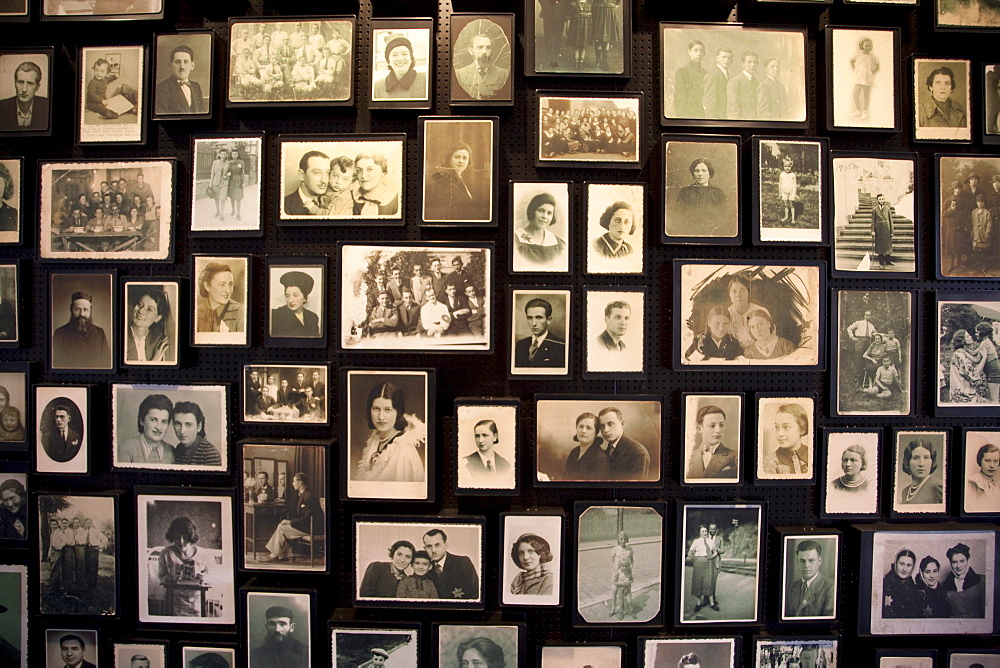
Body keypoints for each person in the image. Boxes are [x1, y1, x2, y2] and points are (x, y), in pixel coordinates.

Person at [354, 382, 425, 483]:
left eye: (388, 410)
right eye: (376, 409)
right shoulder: (375, 440)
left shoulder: (403, 451)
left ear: (398, 412)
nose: (381, 417)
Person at [157, 516, 211, 617]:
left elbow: (213, 576)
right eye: (177, 537)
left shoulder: (204, 554)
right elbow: (161, 576)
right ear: (172, 536)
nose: (181, 542)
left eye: (185, 538)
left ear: (191, 537)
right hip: (172, 602)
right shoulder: (165, 553)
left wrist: (203, 578)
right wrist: (172, 578)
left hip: (196, 603)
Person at [424, 143, 486, 222]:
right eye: (457, 157)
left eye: (465, 158)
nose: (461, 161)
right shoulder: (444, 179)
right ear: (449, 159)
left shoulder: (460, 178)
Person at [51, 291, 111, 369]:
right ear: (71, 310)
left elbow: (106, 362)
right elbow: (56, 363)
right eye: (77, 309)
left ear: (90, 311)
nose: (81, 314)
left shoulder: (99, 333)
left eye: (85, 310)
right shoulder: (60, 333)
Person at [423, 528, 480, 600]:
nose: (433, 550)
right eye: (429, 546)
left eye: (437, 545)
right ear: (424, 548)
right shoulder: (424, 569)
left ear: (446, 545)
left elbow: (476, 594)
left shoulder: (463, 562)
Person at [513, 192, 567, 268]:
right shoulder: (515, 240)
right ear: (532, 211)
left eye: (549, 213)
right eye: (541, 211)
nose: (545, 216)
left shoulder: (559, 244)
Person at [118, 394, 175, 464]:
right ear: (142, 420)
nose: (159, 427)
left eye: (164, 421)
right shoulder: (127, 448)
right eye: (153, 420)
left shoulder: (172, 451)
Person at [686, 404, 737, 479]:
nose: (718, 430)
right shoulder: (688, 456)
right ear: (699, 429)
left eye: (721, 425)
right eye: (712, 426)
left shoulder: (735, 456)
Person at [785, 540, 834, 618]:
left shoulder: (831, 587)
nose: (806, 565)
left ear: (820, 561)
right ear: (797, 562)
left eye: (811, 561)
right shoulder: (791, 587)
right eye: (802, 561)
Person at [599, 406, 650, 480]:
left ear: (622, 424)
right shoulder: (609, 448)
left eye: (610, 424)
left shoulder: (638, 453)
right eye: (602, 426)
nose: (605, 430)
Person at [514, 297, 566, 368]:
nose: (533, 323)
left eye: (539, 317)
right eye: (530, 318)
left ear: (549, 320)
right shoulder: (521, 344)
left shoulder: (561, 346)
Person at [455, 33, 509, 100]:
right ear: (471, 51)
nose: (484, 51)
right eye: (480, 47)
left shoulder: (504, 74)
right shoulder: (459, 74)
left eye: (488, 48)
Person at [154, 44, 205, 115]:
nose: (182, 67)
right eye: (177, 62)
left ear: (192, 66)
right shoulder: (161, 89)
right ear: (170, 65)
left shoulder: (196, 86)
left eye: (186, 62)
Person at [126, 285, 171, 363]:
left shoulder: (158, 339)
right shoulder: (121, 336)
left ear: (157, 318)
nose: (141, 311)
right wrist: (154, 361)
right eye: (139, 304)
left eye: (149, 309)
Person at [762, 403, 810, 475]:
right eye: (777, 427)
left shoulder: (812, 454)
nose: (780, 434)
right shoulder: (771, 462)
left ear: (802, 429)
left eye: (786, 427)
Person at [196, 262, 244, 333]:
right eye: (221, 285)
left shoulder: (241, 312)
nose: (228, 291)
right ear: (207, 286)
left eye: (230, 285)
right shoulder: (197, 312)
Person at [677, 158, 726, 228]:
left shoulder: (718, 193)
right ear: (693, 174)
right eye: (697, 171)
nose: (700, 174)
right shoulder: (685, 192)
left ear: (710, 174)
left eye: (704, 171)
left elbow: (723, 217)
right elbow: (679, 216)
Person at [374, 34, 427, 99]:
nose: (400, 59)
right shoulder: (377, 87)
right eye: (394, 55)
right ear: (388, 61)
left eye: (404, 54)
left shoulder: (425, 80)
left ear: (411, 58)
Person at [0, 59, 48, 131]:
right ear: (15, 84)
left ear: (37, 87)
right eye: (20, 82)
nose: (24, 89)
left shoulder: (47, 106)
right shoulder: (2, 107)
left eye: (30, 83)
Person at [941, 542, 986, 618]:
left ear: (968, 561)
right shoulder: (944, 585)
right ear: (950, 563)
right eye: (954, 562)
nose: (958, 566)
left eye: (962, 561)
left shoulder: (982, 581)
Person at [270, 270, 319, 337]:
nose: (290, 300)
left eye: (295, 295)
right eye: (287, 296)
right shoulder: (276, 315)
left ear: (304, 298)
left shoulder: (312, 317)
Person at [563, 411, 610, 480]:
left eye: (588, 428)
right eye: (581, 427)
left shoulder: (601, 459)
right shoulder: (574, 452)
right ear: (576, 428)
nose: (583, 431)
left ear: (596, 433)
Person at [172, 401, 222, 466]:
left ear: (199, 426)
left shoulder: (209, 453)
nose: (182, 431)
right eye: (178, 424)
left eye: (188, 424)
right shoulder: (179, 449)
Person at [898, 438, 944, 505]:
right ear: (908, 462)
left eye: (926, 457)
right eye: (916, 458)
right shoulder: (905, 491)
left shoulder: (938, 486)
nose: (921, 464)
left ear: (932, 461)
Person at [284, 150, 330, 216]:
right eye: (317, 173)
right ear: (302, 175)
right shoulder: (284, 206)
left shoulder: (333, 203)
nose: (324, 180)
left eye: (327, 173)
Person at [725, 275, 764, 351]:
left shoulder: (761, 312)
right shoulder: (725, 315)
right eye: (734, 291)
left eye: (742, 290)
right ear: (729, 294)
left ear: (748, 292)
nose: (738, 295)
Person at [949, 329, 986, 403]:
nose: (971, 337)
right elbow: (974, 375)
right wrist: (984, 357)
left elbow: (972, 361)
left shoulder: (959, 353)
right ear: (962, 341)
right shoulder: (961, 356)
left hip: (957, 395)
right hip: (965, 398)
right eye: (967, 336)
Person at [882, 548, 918, 618]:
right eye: (901, 564)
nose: (904, 569)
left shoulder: (913, 587)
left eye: (909, 565)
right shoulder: (884, 584)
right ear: (896, 563)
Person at [850, 36, 880, 120]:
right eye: (866, 46)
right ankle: (858, 110)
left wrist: (872, 72)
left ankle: (865, 112)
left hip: (867, 78)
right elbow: (852, 61)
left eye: (870, 46)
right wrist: (854, 69)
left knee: (866, 95)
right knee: (855, 94)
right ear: (862, 46)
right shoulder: (858, 55)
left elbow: (877, 66)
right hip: (858, 77)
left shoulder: (872, 57)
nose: (868, 47)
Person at [674, 40, 706, 117]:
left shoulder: (706, 74)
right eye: (696, 50)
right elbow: (679, 99)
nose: (699, 54)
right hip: (687, 114)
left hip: (702, 114)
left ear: (704, 54)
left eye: (701, 51)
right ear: (689, 52)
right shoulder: (682, 72)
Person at [966, 443, 1000, 512]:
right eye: (987, 461)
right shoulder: (971, 483)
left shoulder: (996, 486)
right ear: (980, 461)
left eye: (995, 461)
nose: (992, 465)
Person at [590, 0, 622, 71]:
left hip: (609, 13)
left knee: (607, 40)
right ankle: (598, 62)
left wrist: (611, 7)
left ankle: (605, 62)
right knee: (598, 39)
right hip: (598, 12)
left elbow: (619, 2)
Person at [703, 47, 733, 119]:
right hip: (716, 118)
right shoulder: (713, 75)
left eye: (729, 58)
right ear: (717, 58)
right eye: (724, 57)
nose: (726, 60)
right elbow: (709, 103)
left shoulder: (727, 75)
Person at [727, 51, 759, 119]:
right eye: (749, 62)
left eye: (755, 62)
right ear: (743, 64)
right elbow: (733, 109)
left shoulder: (757, 82)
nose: (752, 65)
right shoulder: (735, 81)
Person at [973, 321, 1000, 403]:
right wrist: (963, 350)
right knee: (994, 399)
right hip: (994, 373)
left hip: (994, 374)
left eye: (977, 332)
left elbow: (977, 360)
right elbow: (973, 353)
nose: (976, 334)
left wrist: (963, 352)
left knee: (994, 400)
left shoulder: (984, 343)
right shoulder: (986, 341)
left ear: (982, 333)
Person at [610, 530, 635, 618]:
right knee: (614, 590)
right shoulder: (615, 549)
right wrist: (615, 570)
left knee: (626, 589)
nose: (623, 541)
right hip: (617, 572)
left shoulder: (629, 549)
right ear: (618, 540)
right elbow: (612, 561)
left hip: (626, 571)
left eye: (624, 539)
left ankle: (626, 608)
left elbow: (632, 560)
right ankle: (612, 609)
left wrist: (631, 567)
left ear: (627, 539)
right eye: (621, 539)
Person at [565, 0, 592, 70]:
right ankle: (576, 63)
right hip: (576, 28)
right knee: (576, 45)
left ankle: (581, 63)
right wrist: (567, 27)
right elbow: (568, 17)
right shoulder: (573, 4)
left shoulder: (590, 3)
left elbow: (592, 17)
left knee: (583, 45)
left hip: (586, 28)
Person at [775, 154, 799, 224]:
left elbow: (795, 184)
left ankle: (793, 218)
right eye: (785, 166)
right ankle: (786, 216)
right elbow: (780, 184)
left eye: (789, 166)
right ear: (783, 166)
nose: (787, 168)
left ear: (791, 166)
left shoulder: (793, 175)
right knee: (786, 205)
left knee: (791, 205)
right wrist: (780, 193)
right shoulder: (781, 174)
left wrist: (794, 193)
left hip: (791, 192)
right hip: (784, 192)